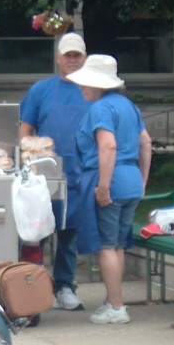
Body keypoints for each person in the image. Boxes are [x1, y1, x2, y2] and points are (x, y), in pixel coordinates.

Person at [68, 54, 152, 324]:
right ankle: (114, 300)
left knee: (105, 245)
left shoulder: (101, 109)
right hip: (129, 181)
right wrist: (142, 180)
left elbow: (108, 146)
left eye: (85, 84)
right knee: (117, 244)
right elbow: (146, 143)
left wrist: (103, 186)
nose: (81, 88)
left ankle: (116, 306)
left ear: (98, 85)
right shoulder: (128, 105)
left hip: (111, 180)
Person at [19, 33, 91, 311]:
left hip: (80, 170)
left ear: (84, 58)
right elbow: (26, 130)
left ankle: (64, 286)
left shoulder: (93, 90)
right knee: (35, 231)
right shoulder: (41, 90)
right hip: (43, 173)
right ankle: (30, 288)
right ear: (59, 58)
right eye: (68, 55)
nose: (72, 60)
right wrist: (27, 161)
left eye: (77, 56)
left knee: (69, 233)